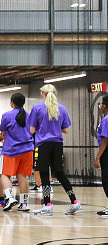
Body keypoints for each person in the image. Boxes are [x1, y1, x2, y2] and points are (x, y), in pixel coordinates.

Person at [28, 83, 80, 216]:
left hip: (43, 144)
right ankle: (74, 201)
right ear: (55, 94)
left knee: (44, 173)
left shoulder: (37, 108)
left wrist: (43, 128)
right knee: (60, 173)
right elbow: (66, 130)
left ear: (42, 94)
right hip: (57, 144)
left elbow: (32, 130)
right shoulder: (62, 108)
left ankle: (47, 205)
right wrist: (54, 128)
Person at [0, 92, 33, 212]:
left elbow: (3, 133)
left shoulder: (7, 115)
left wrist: (0, 139)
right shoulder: (29, 115)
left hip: (11, 150)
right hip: (28, 149)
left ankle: (9, 197)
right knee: (22, 176)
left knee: (5, 174)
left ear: (12, 102)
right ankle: (24, 203)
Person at [95, 96, 108, 217]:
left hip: (106, 152)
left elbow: (105, 140)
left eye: (102, 105)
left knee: (106, 179)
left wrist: (98, 157)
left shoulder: (106, 120)